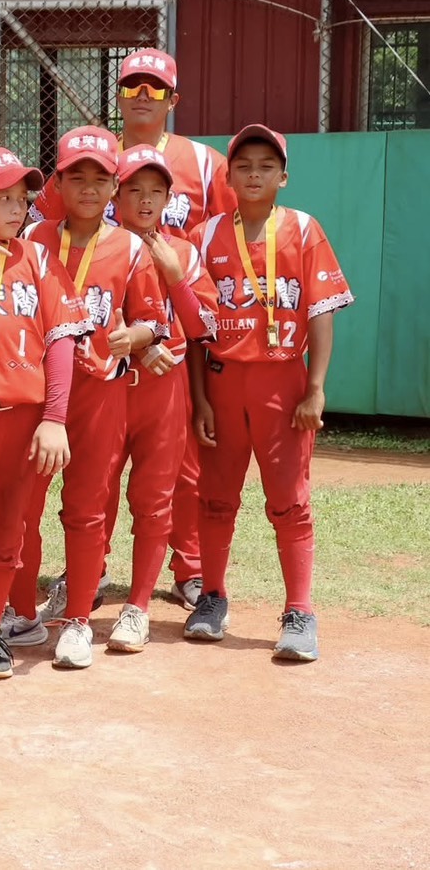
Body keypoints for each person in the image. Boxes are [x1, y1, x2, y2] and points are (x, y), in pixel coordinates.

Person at [32, 50, 235, 609]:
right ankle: (85, 577)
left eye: (155, 87)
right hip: (100, 344)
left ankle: (187, 569)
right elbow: (44, 224)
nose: (142, 95)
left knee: (174, 474)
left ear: (173, 98)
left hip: (172, 333)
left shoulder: (202, 162)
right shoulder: (92, 156)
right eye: (132, 86)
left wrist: (172, 304)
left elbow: (221, 241)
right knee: (95, 472)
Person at [187, 125, 352, 662]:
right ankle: (212, 596)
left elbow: (320, 312)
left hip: (282, 383)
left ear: (283, 175)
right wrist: (201, 398)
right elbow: (195, 326)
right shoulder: (207, 236)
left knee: (289, 501)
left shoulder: (303, 230)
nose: (254, 174)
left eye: (265, 166)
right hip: (221, 378)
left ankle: (299, 610)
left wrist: (316, 388)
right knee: (215, 497)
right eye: (243, 166)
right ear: (228, 175)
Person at [16, 127, 166, 670]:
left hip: (101, 393)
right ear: (56, 183)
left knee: (85, 508)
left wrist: (137, 337)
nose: (86, 188)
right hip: (35, 392)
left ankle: (78, 619)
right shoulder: (32, 239)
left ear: (114, 188)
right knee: (22, 506)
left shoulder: (129, 247)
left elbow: (156, 319)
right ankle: (21, 612)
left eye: (99, 179)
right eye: (75, 177)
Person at [0, 147, 87, 679]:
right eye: (2, 198)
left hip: (22, 417)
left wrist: (55, 418)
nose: (17, 209)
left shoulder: (36, 258)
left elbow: (60, 341)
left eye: (23, 198)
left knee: (7, 529)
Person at [99, 145, 219, 654]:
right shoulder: (97, 244)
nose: (145, 200)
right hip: (104, 387)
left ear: (170, 198)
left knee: (154, 500)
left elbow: (206, 328)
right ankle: (84, 593)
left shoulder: (185, 251)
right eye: (134, 189)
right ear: (116, 194)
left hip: (162, 393)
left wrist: (174, 276)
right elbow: (80, 313)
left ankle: (138, 606)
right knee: (92, 494)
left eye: (156, 191)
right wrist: (138, 343)